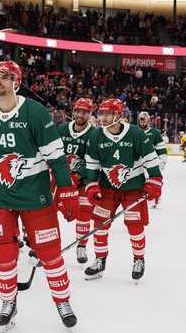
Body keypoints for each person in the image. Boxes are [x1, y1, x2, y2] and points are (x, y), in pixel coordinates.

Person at [0, 61, 79, 330]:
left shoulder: (34, 111)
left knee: (49, 252)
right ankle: (8, 302)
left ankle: (62, 301)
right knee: (2, 252)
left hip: (35, 194)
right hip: (0, 195)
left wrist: (66, 187)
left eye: (5, 77)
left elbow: (55, 153)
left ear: (17, 82)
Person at [83, 99, 163, 282]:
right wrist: (92, 185)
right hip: (107, 188)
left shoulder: (135, 133)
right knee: (99, 224)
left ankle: (139, 259)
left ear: (118, 116)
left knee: (135, 226)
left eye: (107, 114)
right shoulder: (96, 136)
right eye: (101, 113)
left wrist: (155, 180)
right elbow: (92, 165)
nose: (102, 118)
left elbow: (151, 159)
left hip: (133, 188)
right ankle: (100, 260)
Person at [56, 97, 96, 264]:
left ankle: (82, 245)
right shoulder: (63, 128)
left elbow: (94, 159)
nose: (80, 115)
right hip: (61, 179)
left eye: (84, 112)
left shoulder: (94, 133)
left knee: (84, 213)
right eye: (78, 111)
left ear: (90, 114)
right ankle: (50, 246)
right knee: (50, 211)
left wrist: (77, 175)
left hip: (83, 180)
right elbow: (54, 151)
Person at [138, 111, 168, 209]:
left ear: (148, 120)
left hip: (151, 161)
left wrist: (162, 160)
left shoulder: (154, 133)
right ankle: (142, 198)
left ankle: (155, 199)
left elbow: (161, 148)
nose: (142, 123)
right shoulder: (136, 132)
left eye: (144, 120)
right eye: (141, 121)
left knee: (153, 180)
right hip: (139, 162)